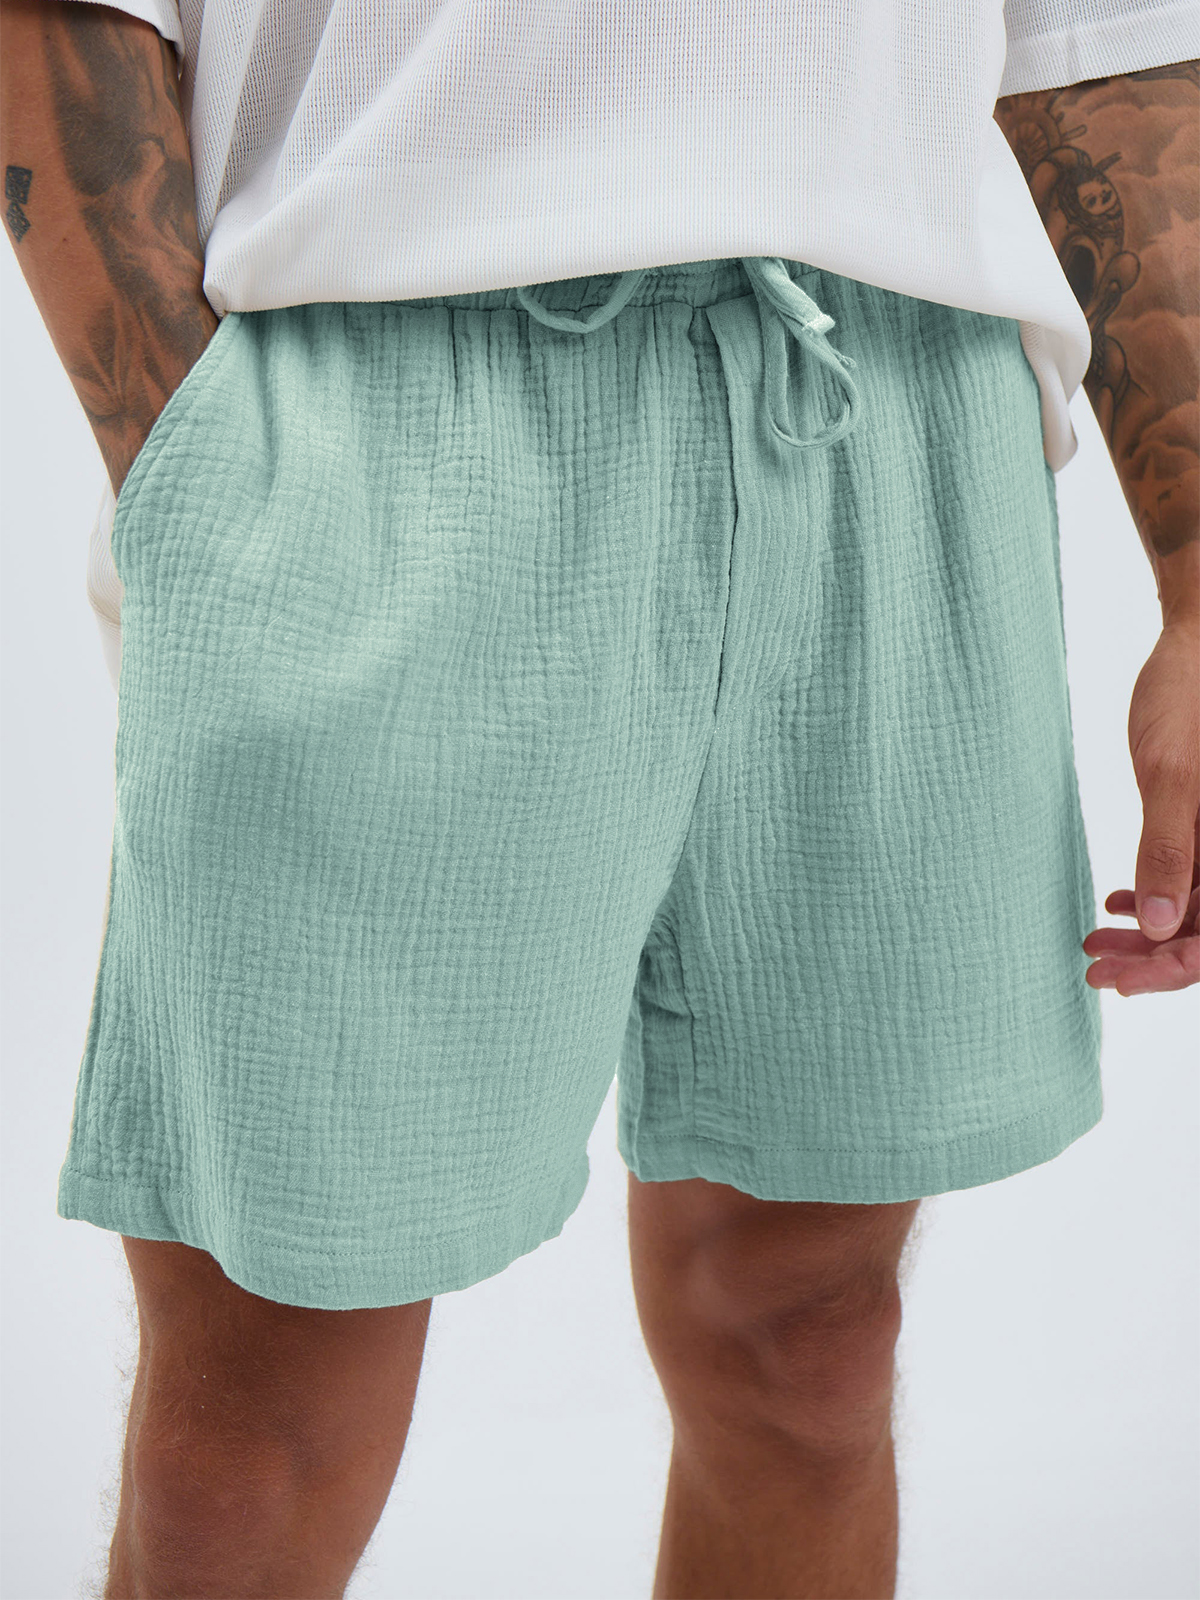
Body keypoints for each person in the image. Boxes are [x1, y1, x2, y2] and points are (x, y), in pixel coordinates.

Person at [2, 1, 1196, 1594]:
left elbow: (1103, 40)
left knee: (814, 1342)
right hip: (382, 369)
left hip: (891, 389)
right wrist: (197, 466)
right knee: (249, 1445)